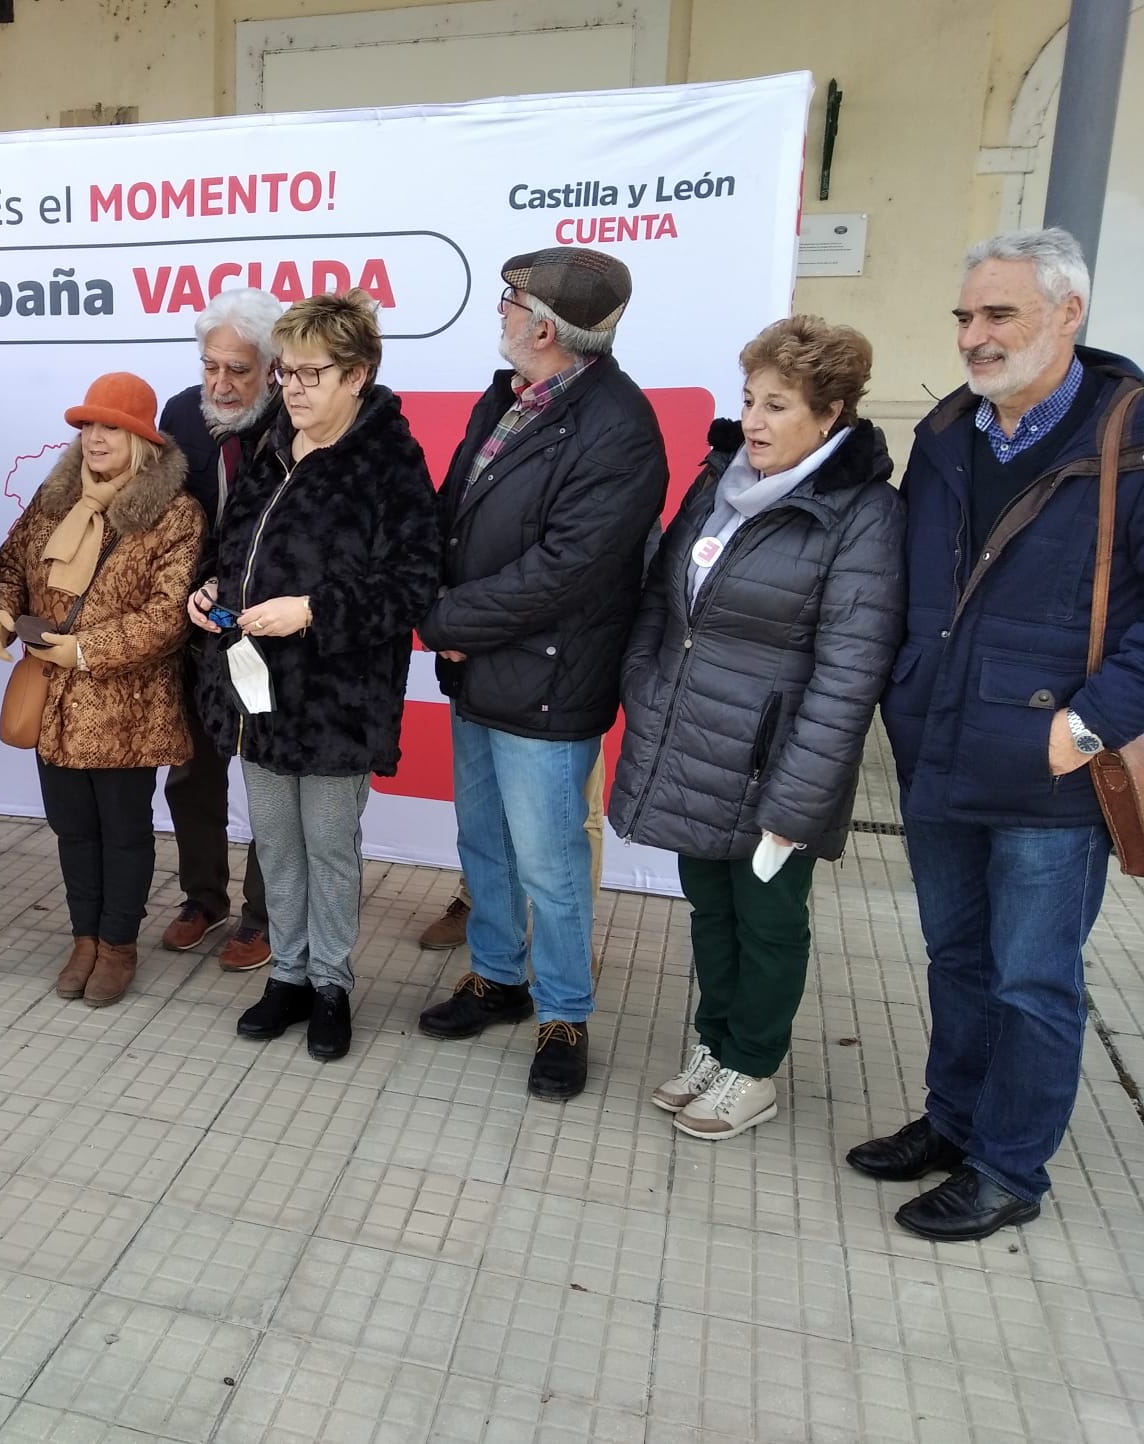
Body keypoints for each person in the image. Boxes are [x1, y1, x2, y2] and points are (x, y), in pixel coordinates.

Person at [856, 227, 1144, 1240]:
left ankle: (1009, 1164)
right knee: (956, 953)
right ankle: (953, 1119)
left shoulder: (1130, 439)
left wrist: (1093, 722)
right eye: (965, 317)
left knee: (1033, 973)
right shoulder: (949, 434)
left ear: (1068, 314)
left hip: (1049, 763)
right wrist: (899, 686)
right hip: (940, 740)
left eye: (1000, 315)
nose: (976, 336)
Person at [611, 316, 904, 1140]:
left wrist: (802, 789)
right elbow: (662, 598)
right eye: (750, 400)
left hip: (777, 759)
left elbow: (852, 671)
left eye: (778, 405)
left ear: (831, 413)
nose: (755, 421)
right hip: (694, 741)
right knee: (710, 907)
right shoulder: (721, 480)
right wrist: (646, 679)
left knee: (769, 920)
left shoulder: (864, 514)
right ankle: (717, 1044)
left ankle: (754, 1066)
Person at [416, 247, 667, 1101]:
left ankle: (563, 1013)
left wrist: (446, 621)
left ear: (547, 326)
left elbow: (567, 571)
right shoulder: (511, 400)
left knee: (551, 864)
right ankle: (497, 976)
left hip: (549, 680)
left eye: (510, 301)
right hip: (482, 666)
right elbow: (456, 518)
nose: (500, 313)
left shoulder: (620, 428)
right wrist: (437, 602)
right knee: (482, 841)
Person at [189, 290, 441, 1063]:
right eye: (287, 373)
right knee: (276, 843)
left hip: (337, 696)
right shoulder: (270, 448)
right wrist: (209, 591)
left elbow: (413, 583)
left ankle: (330, 983)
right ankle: (288, 977)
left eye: (311, 373)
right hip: (257, 689)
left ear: (358, 373)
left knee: (328, 844)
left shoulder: (388, 462)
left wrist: (314, 611)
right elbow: (236, 551)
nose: (292, 387)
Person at [0, 374, 205, 1006]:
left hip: (125, 707)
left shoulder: (175, 515)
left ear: (143, 441)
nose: (96, 438)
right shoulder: (54, 501)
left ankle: (118, 945)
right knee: (71, 827)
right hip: (54, 703)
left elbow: (167, 616)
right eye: (88, 427)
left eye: (111, 427)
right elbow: (7, 571)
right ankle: (84, 938)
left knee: (124, 831)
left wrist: (85, 649)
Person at [156, 288, 279, 970]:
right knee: (192, 772)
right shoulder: (179, 414)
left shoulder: (297, 418)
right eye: (211, 366)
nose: (221, 384)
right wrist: (193, 585)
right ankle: (203, 897)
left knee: (268, 776)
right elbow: (169, 520)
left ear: (272, 367)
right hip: (196, 630)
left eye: (238, 369)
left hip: (270, 630)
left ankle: (264, 914)